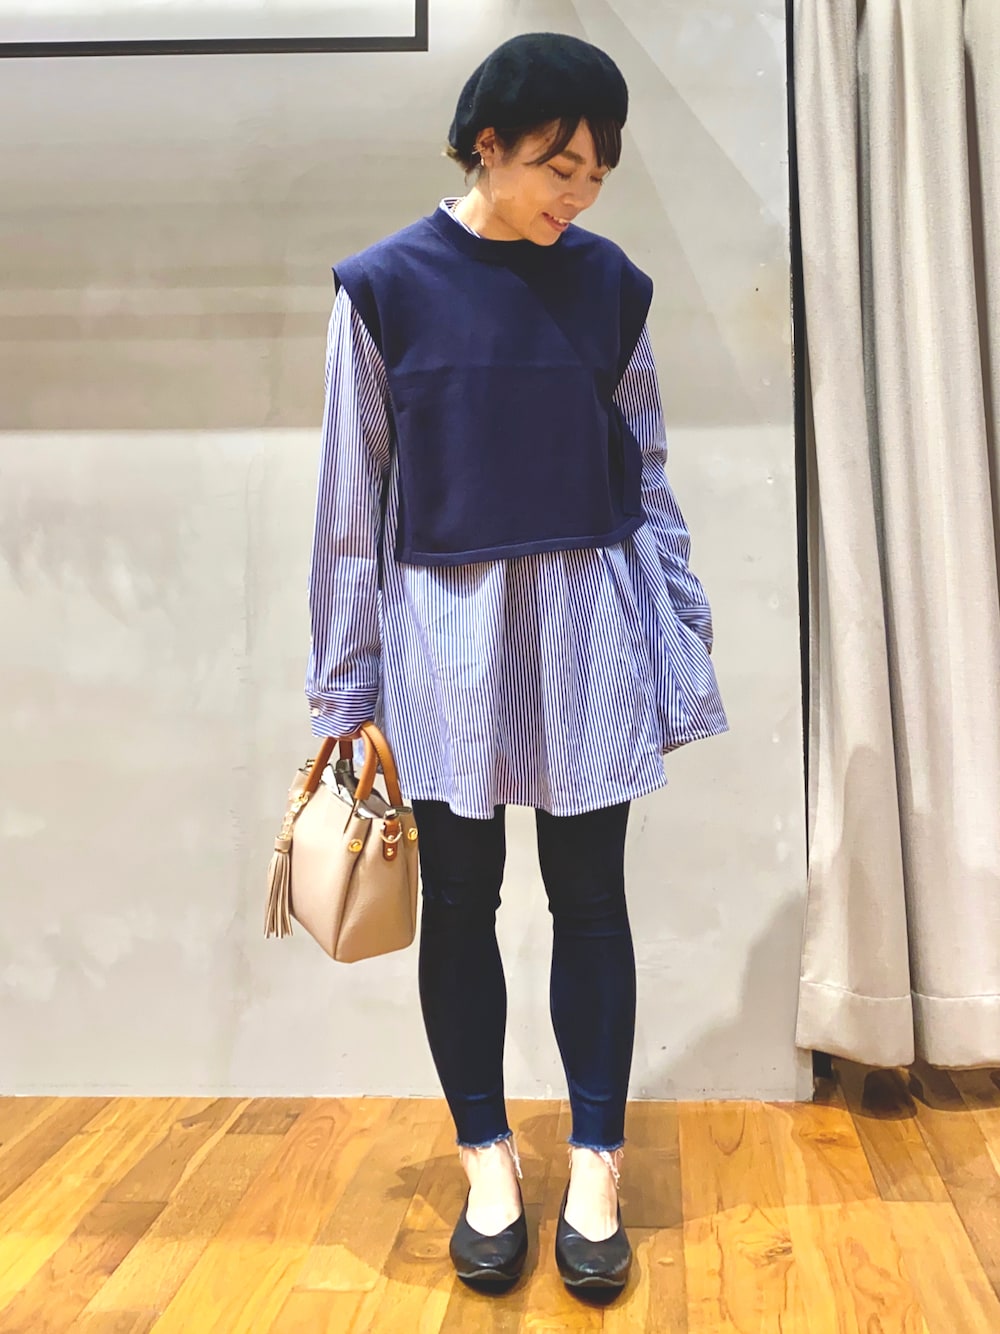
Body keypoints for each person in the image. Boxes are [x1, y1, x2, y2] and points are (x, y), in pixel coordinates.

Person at [305, 31, 728, 1296]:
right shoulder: (384, 286)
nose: (578, 194)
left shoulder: (612, 286)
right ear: (485, 144)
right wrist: (346, 687)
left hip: (585, 621)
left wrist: (680, 624)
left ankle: (595, 1165)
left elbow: (646, 470)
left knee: (591, 897)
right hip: (444, 633)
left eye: (596, 173)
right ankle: (486, 1160)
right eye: (558, 165)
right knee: (461, 899)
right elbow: (349, 504)